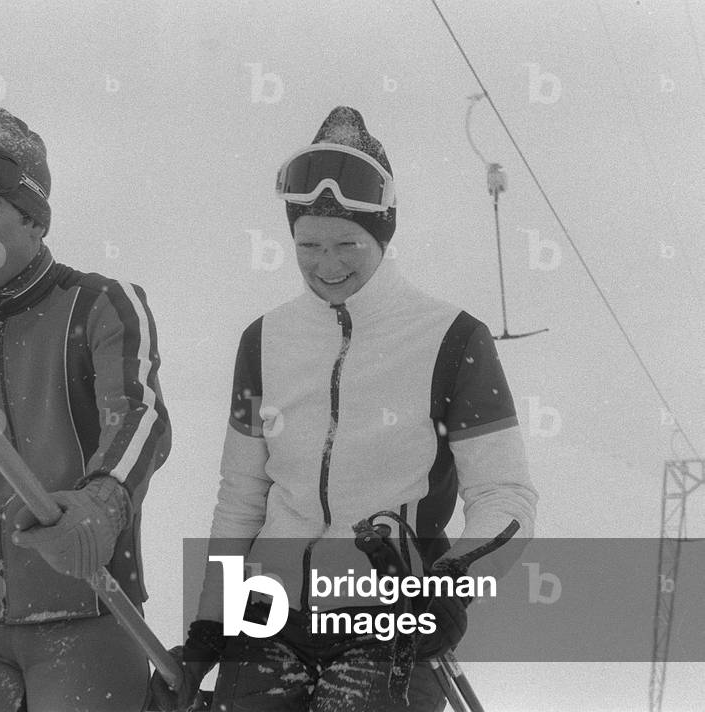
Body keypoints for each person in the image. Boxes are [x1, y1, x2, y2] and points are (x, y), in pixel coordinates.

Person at [152, 107, 537, 712]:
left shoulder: (454, 339)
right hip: (267, 616)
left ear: (382, 236)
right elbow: (242, 498)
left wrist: (453, 584)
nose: (327, 265)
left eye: (346, 245)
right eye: (309, 245)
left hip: (390, 620)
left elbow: (506, 497)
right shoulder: (264, 340)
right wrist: (210, 621)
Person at [0, 107, 171, 711]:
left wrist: (101, 505)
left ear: (35, 221)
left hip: (88, 611)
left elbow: (142, 419)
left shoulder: (99, 306)